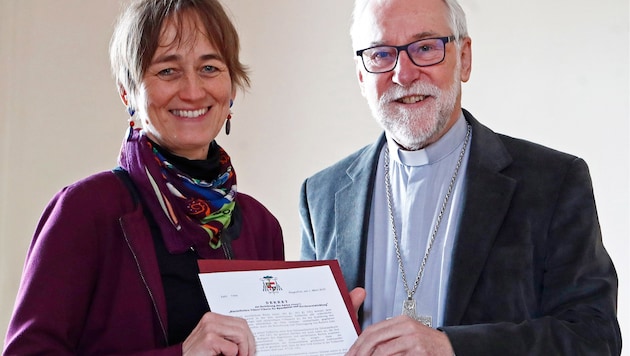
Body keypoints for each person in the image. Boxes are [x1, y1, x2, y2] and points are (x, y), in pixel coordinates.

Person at [299, 0, 622, 354]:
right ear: (362, 75)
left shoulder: (553, 181)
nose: (403, 75)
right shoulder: (321, 196)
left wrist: (451, 347)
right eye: (381, 55)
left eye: (425, 48)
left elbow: (594, 337)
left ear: (464, 58)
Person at [3, 0, 284, 354]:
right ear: (128, 92)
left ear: (231, 90)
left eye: (209, 67)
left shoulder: (262, 226)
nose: (193, 91)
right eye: (168, 71)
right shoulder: (85, 211)